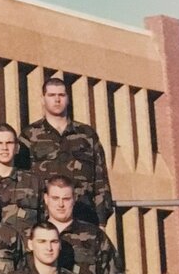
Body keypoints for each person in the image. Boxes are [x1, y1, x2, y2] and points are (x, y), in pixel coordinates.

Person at [22, 77, 113, 225]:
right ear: (43, 99)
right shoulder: (29, 135)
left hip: (84, 218)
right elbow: (22, 179)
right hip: (43, 220)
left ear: (68, 98)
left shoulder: (86, 134)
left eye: (61, 95)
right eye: (51, 95)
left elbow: (101, 179)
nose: (57, 100)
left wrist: (101, 220)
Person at [0, 122, 42, 234]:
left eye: (9, 143)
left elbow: (44, 220)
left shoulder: (34, 182)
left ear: (17, 148)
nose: (4, 148)